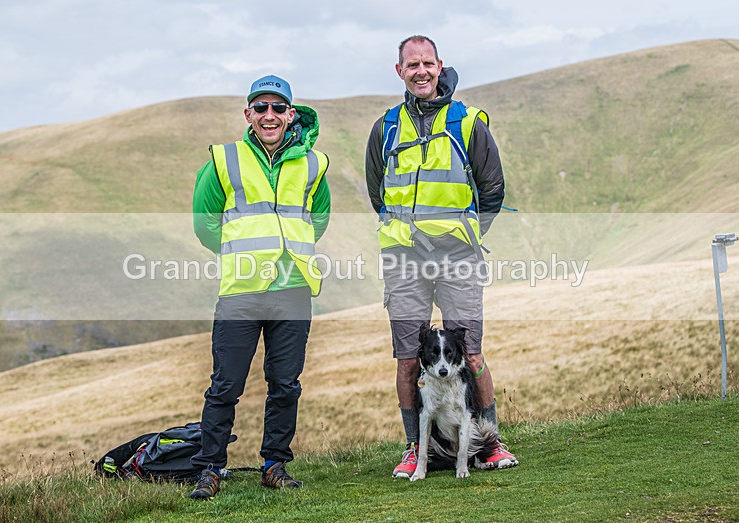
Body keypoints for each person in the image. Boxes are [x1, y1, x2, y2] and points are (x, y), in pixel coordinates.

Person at [364, 35, 518, 478]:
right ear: (400, 71)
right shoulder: (386, 127)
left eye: (427, 63)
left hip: (458, 256)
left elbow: (493, 189)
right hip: (404, 258)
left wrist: (465, 235)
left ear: (440, 66)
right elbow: (379, 193)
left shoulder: (467, 122)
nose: (420, 72)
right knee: (408, 359)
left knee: (470, 353)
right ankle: (415, 448)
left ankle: (489, 442)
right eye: (412, 65)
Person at [189, 75, 331, 499]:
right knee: (225, 385)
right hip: (241, 291)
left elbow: (318, 218)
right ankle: (210, 469)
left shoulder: (313, 164)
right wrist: (242, 254)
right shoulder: (223, 160)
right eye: (260, 107)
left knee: (285, 384)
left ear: (291, 115)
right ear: (248, 114)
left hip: (293, 290)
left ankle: (275, 465)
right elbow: (204, 223)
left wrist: (291, 250)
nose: (269, 115)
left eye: (277, 107)